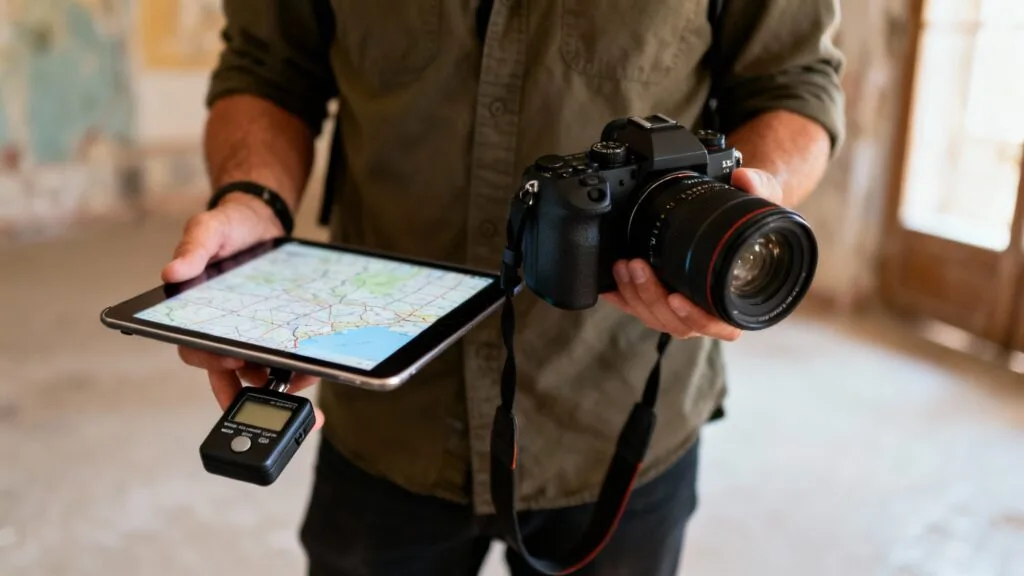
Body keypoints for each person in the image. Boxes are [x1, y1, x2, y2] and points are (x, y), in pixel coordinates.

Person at [163, 1, 845, 574]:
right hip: (387, 399)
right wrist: (254, 199)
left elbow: (795, 84)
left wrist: (753, 204)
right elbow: (269, 69)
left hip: (617, 405)